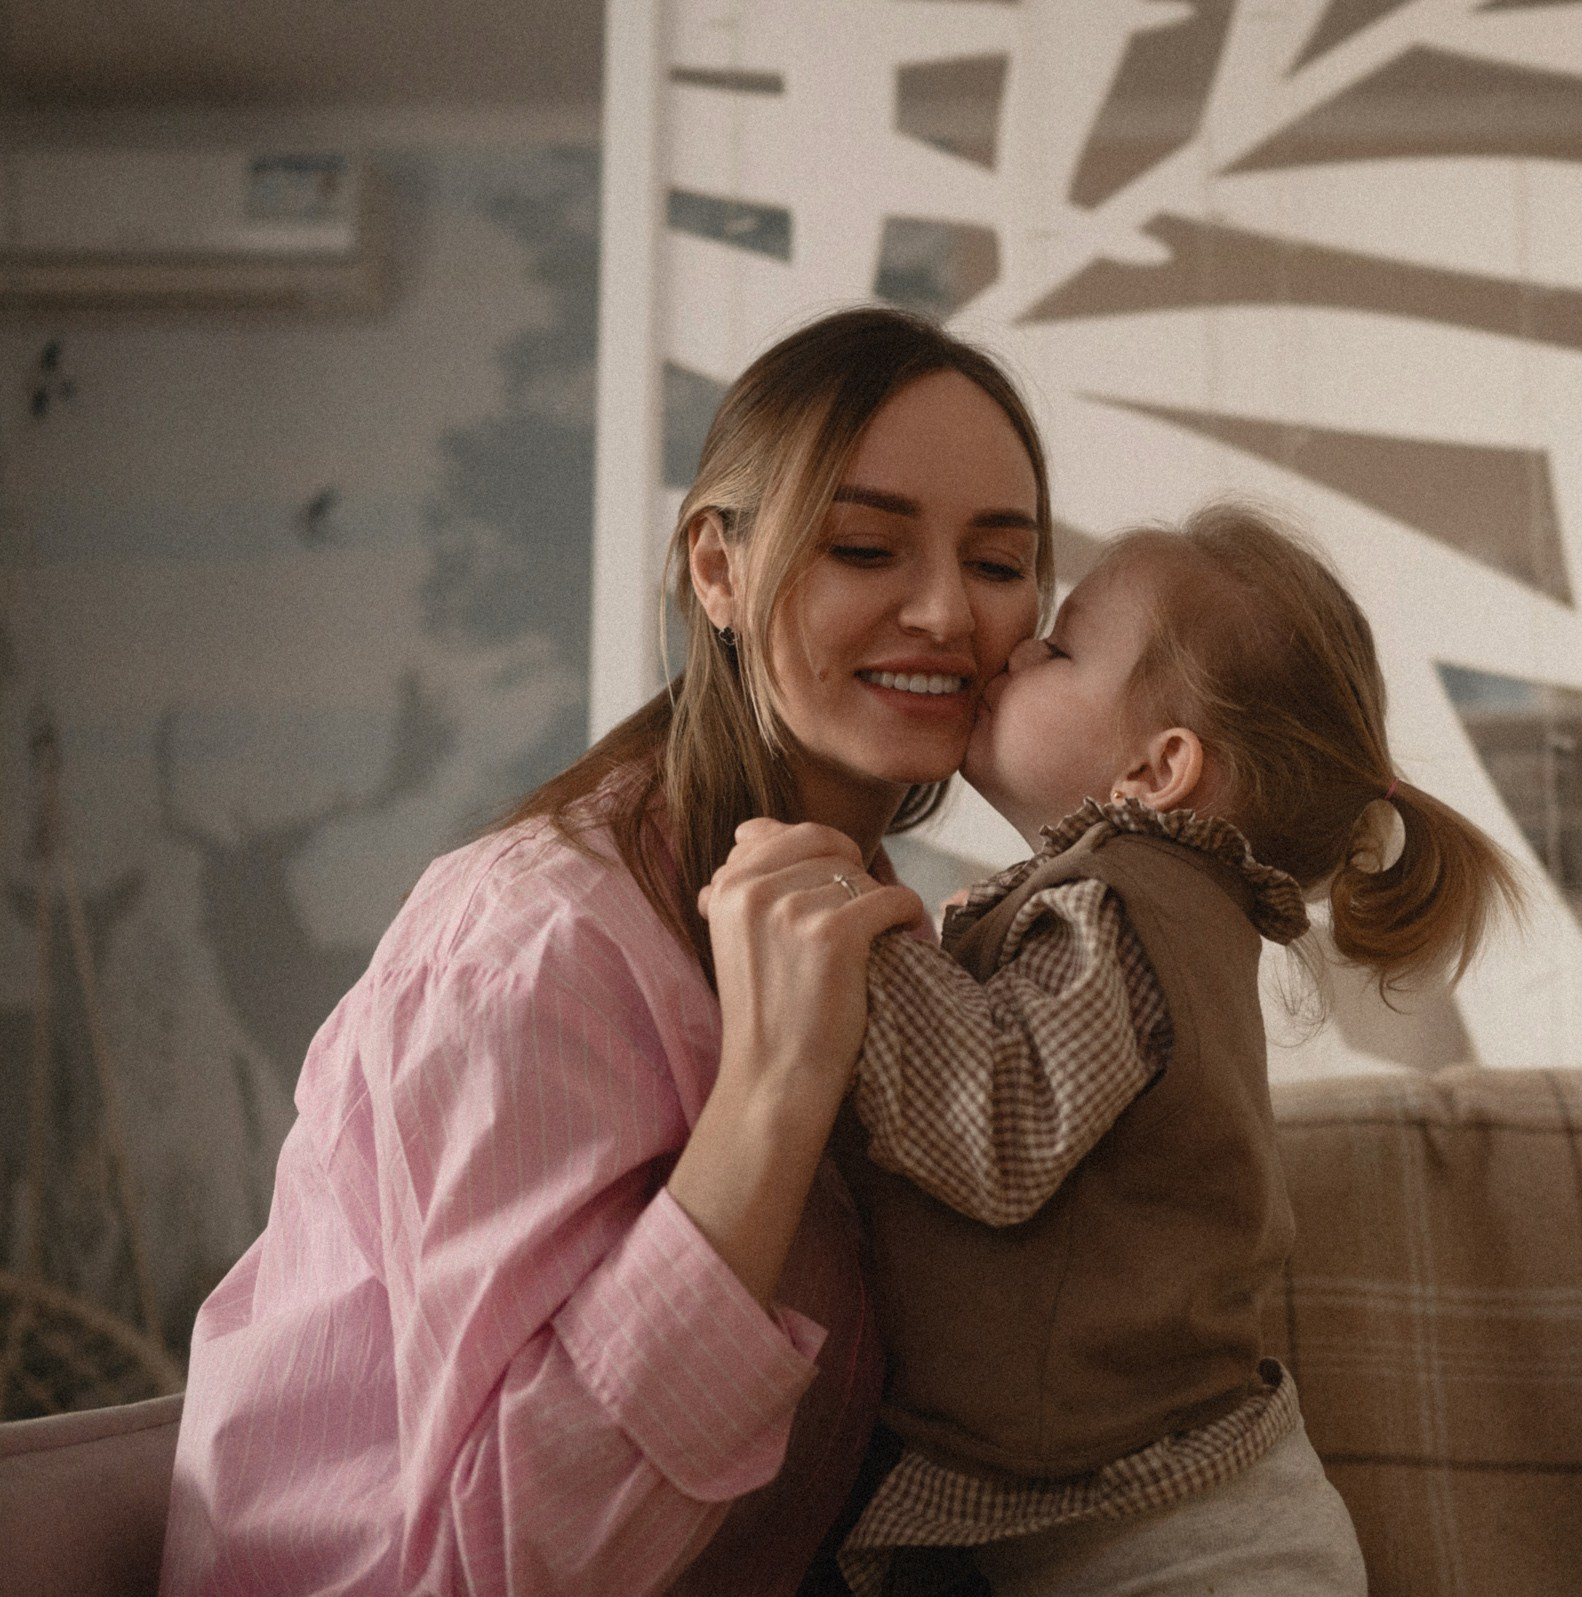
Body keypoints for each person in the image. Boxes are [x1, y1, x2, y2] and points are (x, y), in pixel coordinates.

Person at [160, 306, 1056, 1597]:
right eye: (866, 544)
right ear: (718, 569)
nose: (944, 612)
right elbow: (515, 1562)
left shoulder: (870, 924)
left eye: (1000, 563)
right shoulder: (535, 940)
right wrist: (770, 1092)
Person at [822, 502, 1522, 1595]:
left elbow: (996, 1133)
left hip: (1187, 1543)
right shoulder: (1144, 909)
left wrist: (858, 921)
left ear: (1156, 771)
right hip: (1141, 1513)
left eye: (1056, 648)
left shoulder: (1120, 908)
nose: (1014, 649)